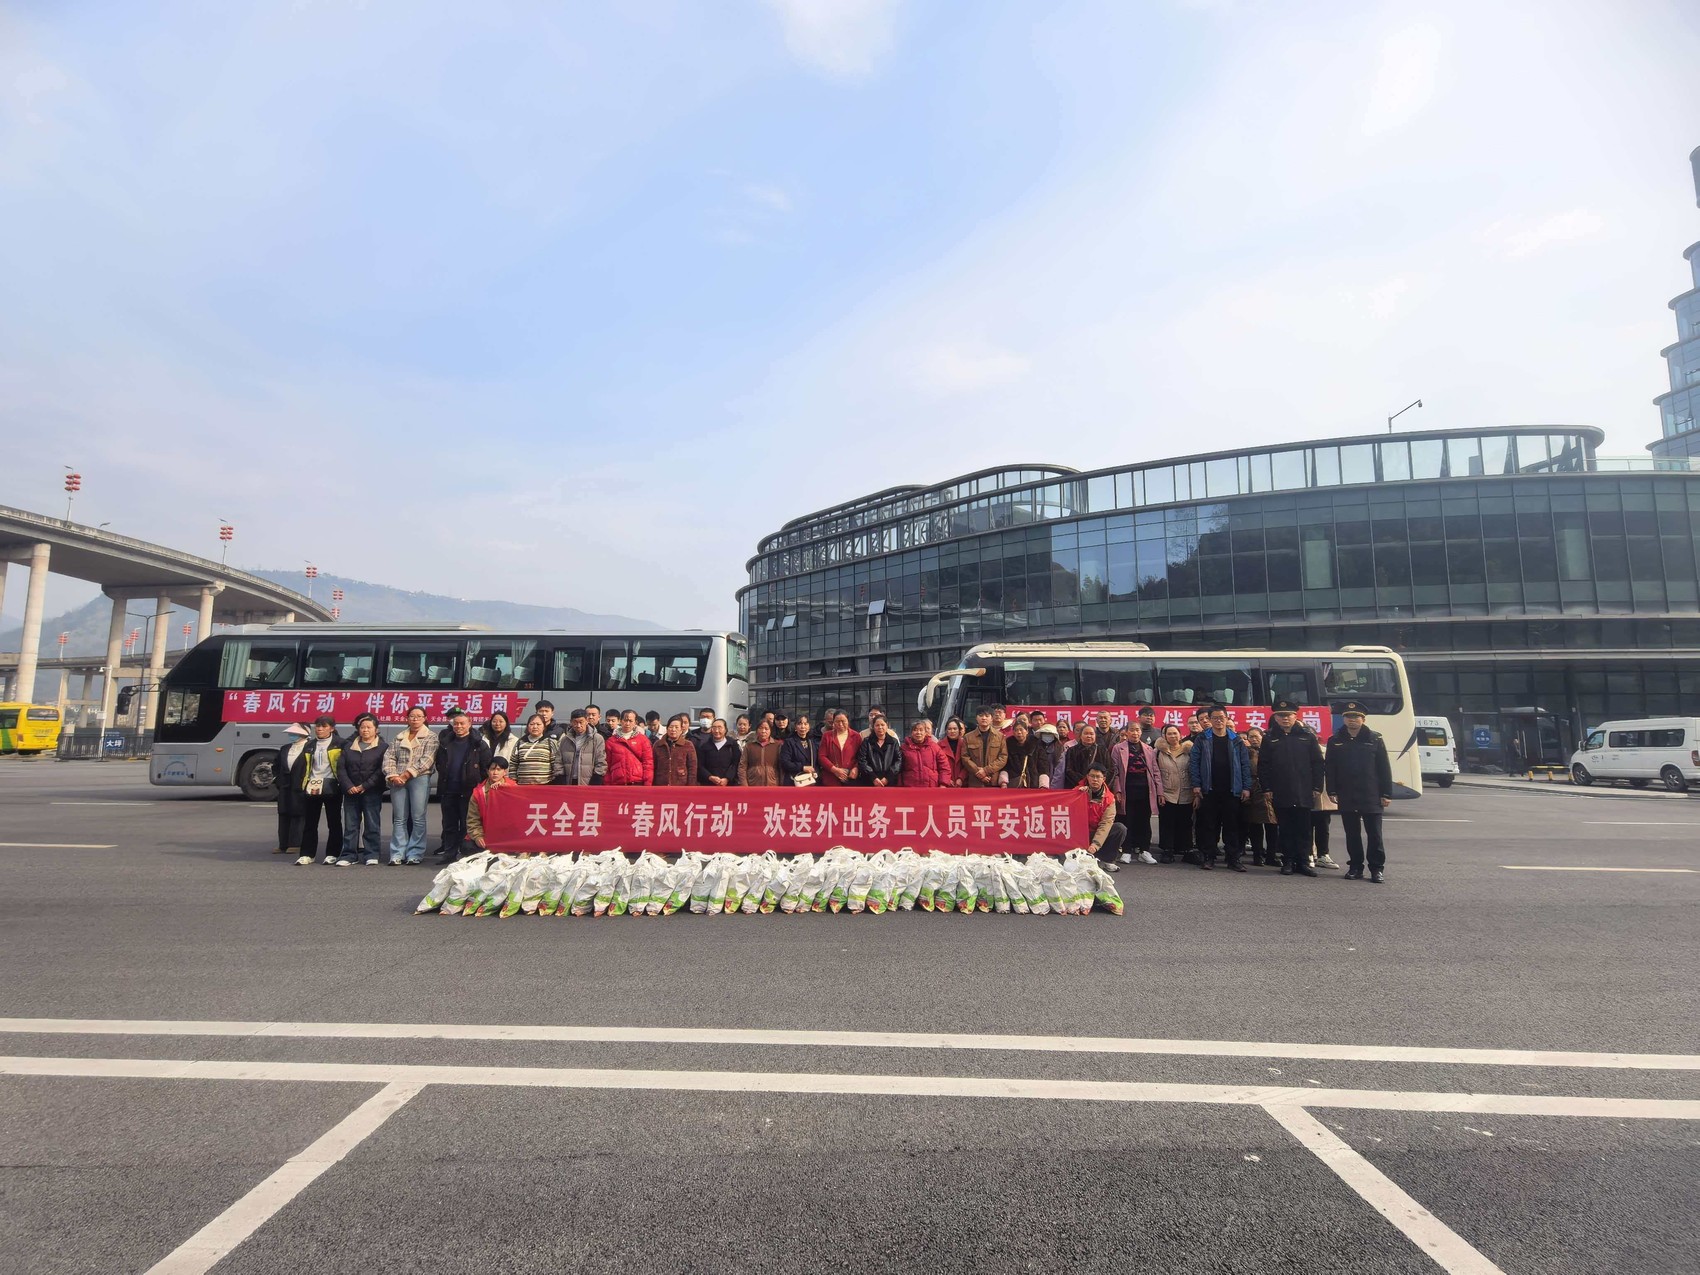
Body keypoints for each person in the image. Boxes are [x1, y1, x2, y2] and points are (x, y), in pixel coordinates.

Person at [1326, 701, 1393, 882]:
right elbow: (1330, 768)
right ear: (1343, 719)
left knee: (1375, 834)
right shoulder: (1335, 740)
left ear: (1363, 719)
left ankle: (1376, 869)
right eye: (1348, 716)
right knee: (1352, 834)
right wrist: (1332, 790)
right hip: (1347, 793)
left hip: (1371, 793)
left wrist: (1386, 793)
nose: (1352, 720)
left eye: (1356, 717)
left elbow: (1384, 768)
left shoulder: (1375, 739)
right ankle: (1355, 867)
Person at [1260, 699, 1326, 877]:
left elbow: (1317, 763)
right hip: (1280, 789)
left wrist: (1317, 786)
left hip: (1304, 789)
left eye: (1288, 715)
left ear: (1295, 716)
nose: (1285, 718)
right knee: (1285, 828)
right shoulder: (1269, 737)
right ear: (1276, 717)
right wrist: (1267, 788)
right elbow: (1263, 765)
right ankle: (1288, 861)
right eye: (1281, 715)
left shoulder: (1307, 736)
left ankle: (1303, 862)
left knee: (1304, 828)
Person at [1188, 705, 1250, 871]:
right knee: (1209, 825)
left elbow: (1245, 764)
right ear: (1209, 719)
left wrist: (1246, 787)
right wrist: (1196, 785)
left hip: (1232, 789)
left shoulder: (1236, 740)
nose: (1218, 721)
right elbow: (1194, 762)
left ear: (1227, 718)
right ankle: (1209, 857)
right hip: (1209, 789)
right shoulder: (1202, 738)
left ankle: (1233, 859)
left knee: (1232, 826)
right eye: (1214, 718)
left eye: (1221, 717)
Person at [434, 708, 493, 862]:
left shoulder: (479, 744)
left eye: (462, 724)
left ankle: (465, 854)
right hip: (449, 789)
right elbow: (440, 763)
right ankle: (449, 854)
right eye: (456, 724)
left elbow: (486, 767)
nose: (459, 727)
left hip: (470, 791)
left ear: (469, 724)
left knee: (467, 825)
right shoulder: (446, 743)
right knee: (449, 824)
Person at [382, 705, 437, 865]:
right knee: (399, 818)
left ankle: (415, 853)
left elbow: (427, 760)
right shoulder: (399, 737)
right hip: (397, 780)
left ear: (425, 718)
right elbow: (389, 757)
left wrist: (407, 774)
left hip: (419, 778)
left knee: (418, 818)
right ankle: (397, 854)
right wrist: (393, 775)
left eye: (419, 716)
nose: (415, 719)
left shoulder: (431, 737)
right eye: (412, 716)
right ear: (407, 719)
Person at [337, 712, 388, 866]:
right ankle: (348, 855)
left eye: (369, 727)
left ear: (376, 729)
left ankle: (371, 854)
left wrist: (365, 785)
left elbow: (381, 770)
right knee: (351, 825)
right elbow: (341, 769)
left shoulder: (382, 747)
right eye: (362, 727)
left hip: (372, 791)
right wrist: (349, 786)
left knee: (372, 824)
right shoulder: (348, 746)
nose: (365, 730)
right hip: (351, 791)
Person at [293, 715, 345, 866]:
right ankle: (307, 854)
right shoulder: (309, 745)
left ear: (332, 728)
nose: (320, 729)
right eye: (318, 726)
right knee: (310, 822)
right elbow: (303, 766)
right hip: (312, 786)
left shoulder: (340, 744)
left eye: (324, 726)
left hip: (332, 786)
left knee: (334, 822)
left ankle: (333, 853)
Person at [1111, 722, 1159, 865]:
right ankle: (1126, 851)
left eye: (1137, 730)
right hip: (1127, 790)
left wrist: (1160, 791)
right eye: (1132, 730)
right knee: (1127, 821)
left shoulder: (1148, 749)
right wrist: (1118, 790)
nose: (1135, 733)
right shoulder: (1118, 748)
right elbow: (1115, 771)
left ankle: (1145, 851)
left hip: (1145, 790)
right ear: (1127, 732)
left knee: (1144, 821)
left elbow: (1155, 771)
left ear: (1141, 732)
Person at [1154, 724, 1194, 862]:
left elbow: (1194, 771)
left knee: (1186, 822)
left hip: (1186, 792)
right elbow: (1156, 774)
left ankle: (1186, 849)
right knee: (1167, 822)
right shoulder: (1158, 752)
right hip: (1167, 793)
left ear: (1180, 735)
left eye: (1175, 733)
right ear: (1164, 736)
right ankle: (1167, 850)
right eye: (1169, 734)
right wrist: (1159, 793)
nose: (1172, 736)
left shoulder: (1189, 750)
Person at [272, 722, 310, 857]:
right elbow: (276, 766)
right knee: (283, 813)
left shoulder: (310, 748)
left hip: (301, 786)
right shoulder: (285, 748)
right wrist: (278, 780)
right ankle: (283, 844)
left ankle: (296, 843)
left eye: (295, 733)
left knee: (298, 814)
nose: (292, 735)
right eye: (291, 733)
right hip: (285, 787)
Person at [1242, 726, 1277, 867]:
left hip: (1269, 789)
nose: (1254, 739)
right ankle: (1257, 855)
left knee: (1272, 824)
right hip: (1253, 790)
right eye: (1251, 737)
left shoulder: (1270, 751)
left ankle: (1271, 855)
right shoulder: (1245, 753)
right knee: (1255, 824)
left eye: (1256, 736)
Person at [465, 755, 513, 852]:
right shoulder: (478, 792)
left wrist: (505, 788)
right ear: (487, 771)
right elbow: (473, 819)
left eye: (499, 769)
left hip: (507, 833)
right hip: (487, 833)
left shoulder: (514, 787)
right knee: (467, 847)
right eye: (492, 769)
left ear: (505, 772)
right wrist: (478, 836)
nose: (495, 773)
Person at [1083, 764, 1126, 871]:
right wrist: (1080, 795)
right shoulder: (1077, 792)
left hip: (1097, 832)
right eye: (1092, 776)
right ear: (1087, 777)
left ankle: (1108, 860)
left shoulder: (1109, 798)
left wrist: (1095, 845)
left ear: (1104, 779)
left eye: (1098, 777)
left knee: (1120, 828)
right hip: (1081, 833)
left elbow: (1106, 823)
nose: (1095, 779)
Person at [956, 708, 1008, 788]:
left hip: (993, 780)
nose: (984, 718)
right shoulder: (968, 737)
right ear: (976, 718)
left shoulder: (1000, 736)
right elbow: (965, 758)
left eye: (987, 716)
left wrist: (986, 771)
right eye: (981, 715)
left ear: (991, 718)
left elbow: (1003, 757)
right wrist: (978, 772)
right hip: (975, 781)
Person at [1054, 722, 1113, 790]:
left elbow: (1110, 769)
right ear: (1081, 736)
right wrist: (1084, 782)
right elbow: (1069, 770)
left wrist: (1098, 781)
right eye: (1086, 733)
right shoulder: (1072, 751)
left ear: (1095, 736)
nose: (1089, 736)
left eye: (1091, 734)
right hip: (1077, 787)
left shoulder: (1103, 750)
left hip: (1098, 788)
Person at [605, 709, 655, 786]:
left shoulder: (643, 740)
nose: (627, 723)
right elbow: (607, 765)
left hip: (637, 783)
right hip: (617, 783)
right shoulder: (611, 741)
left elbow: (648, 763)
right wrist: (607, 784)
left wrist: (647, 783)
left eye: (631, 721)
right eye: (625, 720)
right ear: (620, 721)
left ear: (635, 722)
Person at [558, 709, 606, 785]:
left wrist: (596, 779)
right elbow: (558, 761)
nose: (578, 725)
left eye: (581, 722)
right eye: (575, 722)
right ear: (571, 722)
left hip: (589, 782)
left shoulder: (597, 738)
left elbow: (601, 761)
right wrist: (560, 777)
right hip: (568, 781)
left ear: (587, 721)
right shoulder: (565, 739)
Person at [511, 713, 562, 785]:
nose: (535, 727)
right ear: (527, 726)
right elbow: (513, 764)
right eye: (532, 724)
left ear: (544, 726)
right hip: (522, 786)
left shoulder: (550, 742)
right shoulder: (520, 742)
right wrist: (513, 781)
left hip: (545, 785)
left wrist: (553, 782)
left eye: (538, 724)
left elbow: (556, 764)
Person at [900, 719, 951, 787]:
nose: (918, 732)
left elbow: (944, 766)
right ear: (911, 733)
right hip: (910, 787)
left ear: (925, 732)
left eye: (921, 730)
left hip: (931, 787)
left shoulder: (934, 747)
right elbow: (899, 770)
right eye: (915, 730)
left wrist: (943, 784)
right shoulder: (904, 748)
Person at [1002, 719, 1051, 788]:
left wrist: (1043, 784)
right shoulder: (1008, 745)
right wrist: (1003, 782)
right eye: (1016, 730)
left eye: (1021, 730)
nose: (1019, 732)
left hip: (1034, 783)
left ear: (1027, 731)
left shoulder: (1036, 744)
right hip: (1014, 783)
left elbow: (1043, 766)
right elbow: (1005, 766)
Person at [818, 710, 861, 786]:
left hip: (850, 777)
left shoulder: (856, 736)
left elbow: (861, 756)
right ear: (833, 722)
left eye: (843, 721)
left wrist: (856, 768)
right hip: (831, 778)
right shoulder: (827, 736)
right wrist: (835, 770)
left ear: (848, 721)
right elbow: (822, 756)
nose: (840, 724)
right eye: (837, 721)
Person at [857, 714, 902, 786]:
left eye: (882, 725)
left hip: (889, 781)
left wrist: (887, 778)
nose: (880, 727)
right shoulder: (867, 742)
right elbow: (862, 760)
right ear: (873, 727)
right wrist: (873, 777)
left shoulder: (893, 742)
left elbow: (898, 761)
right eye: (877, 725)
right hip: (870, 781)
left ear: (887, 726)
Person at [653, 716, 699, 786]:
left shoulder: (688, 745)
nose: (673, 729)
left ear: (681, 729)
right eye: (671, 727)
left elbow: (692, 768)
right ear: (667, 728)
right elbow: (654, 765)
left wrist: (691, 786)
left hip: (681, 784)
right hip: (661, 784)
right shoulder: (658, 744)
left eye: (677, 727)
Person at [738, 721, 784, 786]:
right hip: (753, 783)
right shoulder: (749, 746)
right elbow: (742, 767)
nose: (763, 731)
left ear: (770, 730)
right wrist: (744, 785)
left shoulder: (777, 745)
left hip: (772, 784)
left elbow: (781, 767)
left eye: (766, 729)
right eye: (761, 728)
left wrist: (781, 784)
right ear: (756, 730)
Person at [697, 718, 741, 786]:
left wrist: (727, 778)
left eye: (720, 728)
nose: (717, 731)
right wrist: (710, 777)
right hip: (709, 784)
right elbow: (700, 766)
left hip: (729, 784)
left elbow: (736, 764)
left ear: (725, 729)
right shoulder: (704, 746)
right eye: (714, 728)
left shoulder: (732, 745)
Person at [780, 715, 820, 785]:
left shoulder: (813, 742)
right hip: (794, 781)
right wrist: (802, 767)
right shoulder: (789, 742)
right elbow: (785, 762)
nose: (803, 727)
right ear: (795, 727)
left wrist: (815, 772)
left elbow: (817, 762)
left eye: (805, 724)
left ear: (809, 727)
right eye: (799, 724)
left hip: (810, 781)